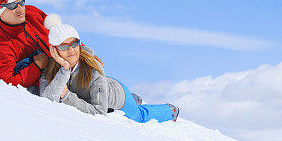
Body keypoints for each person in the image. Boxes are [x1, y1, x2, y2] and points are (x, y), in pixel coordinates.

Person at [40, 16, 179, 123]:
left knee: (139, 117)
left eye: (74, 43)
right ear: (54, 50)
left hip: (117, 95)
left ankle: (169, 110)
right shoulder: (50, 69)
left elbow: (99, 112)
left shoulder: (93, 69)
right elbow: (46, 100)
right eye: (64, 46)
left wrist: (66, 96)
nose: (71, 51)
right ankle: (134, 98)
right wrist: (64, 70)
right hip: (101, 92)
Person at [0, 0, 51, 90]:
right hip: (53, 82)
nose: (20, 9)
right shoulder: (0, 44)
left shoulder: (33, 13)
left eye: (21, 2)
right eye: (12, 6)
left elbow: (62, 34)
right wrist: (37, 65)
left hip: (71, 64)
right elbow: (8, 80)